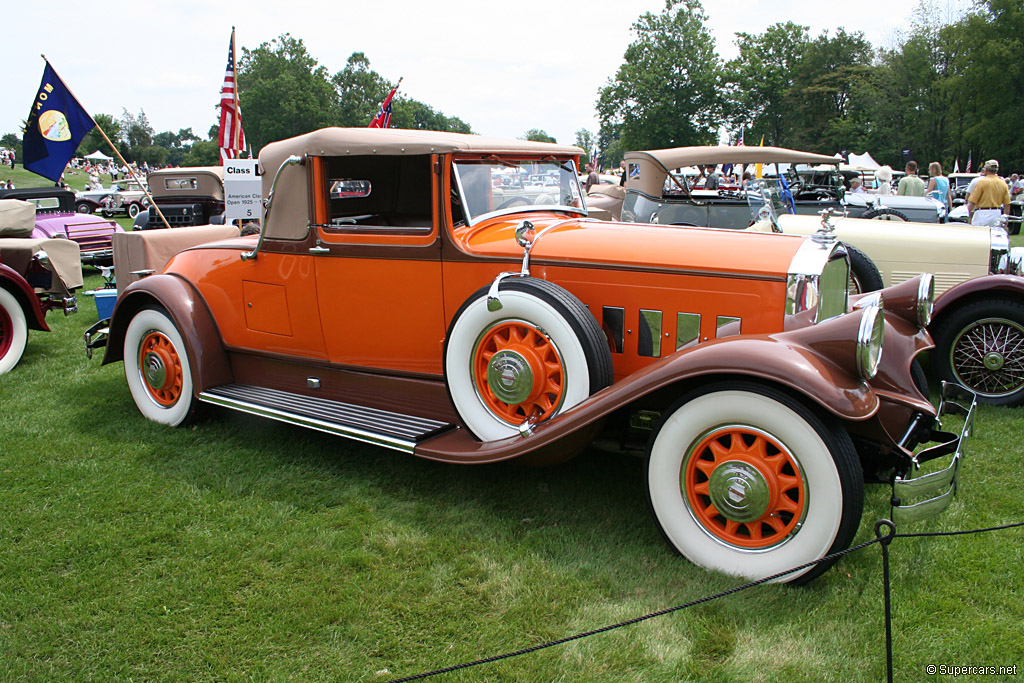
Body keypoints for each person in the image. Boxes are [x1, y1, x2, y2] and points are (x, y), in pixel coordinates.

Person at [967, 159, 1011, 227]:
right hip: (997, 213)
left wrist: (966, 213)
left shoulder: (982, 182)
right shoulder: (1003, 183)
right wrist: (1006, 218)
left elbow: (973, 201)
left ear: (986, 170)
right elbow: (1007, 204)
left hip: (982, 213)